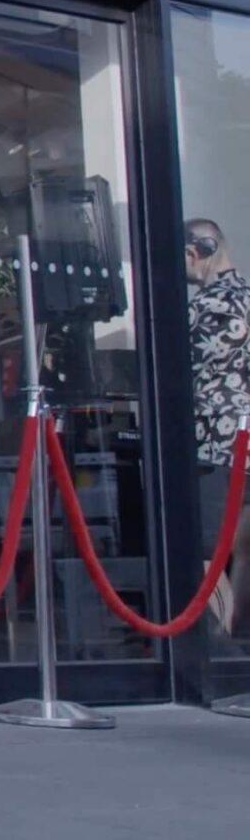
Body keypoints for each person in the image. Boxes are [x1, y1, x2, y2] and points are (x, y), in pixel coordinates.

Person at [184, 219, 250, 634]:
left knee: (204, 559)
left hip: (215, 449)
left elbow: (182, 369)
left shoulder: (212, 304)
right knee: (244, 554)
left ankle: (224, 657)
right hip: (242, 445)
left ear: (195, 253)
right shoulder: (246, 295)